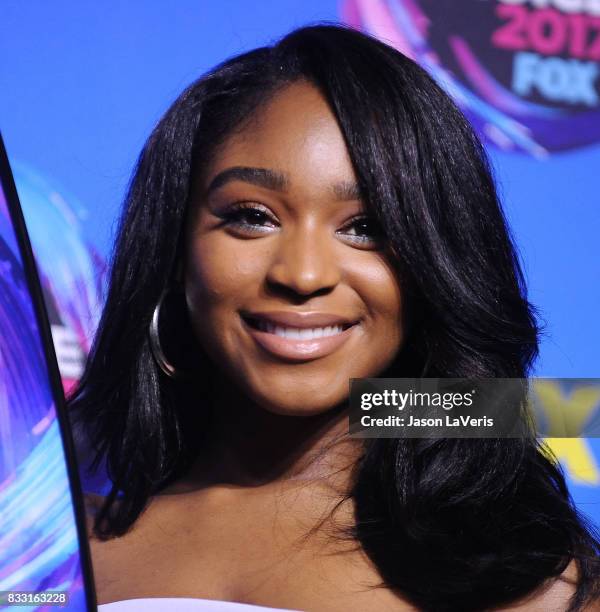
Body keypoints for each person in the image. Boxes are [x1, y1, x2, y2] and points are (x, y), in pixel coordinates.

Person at [68, 23, 600, 612]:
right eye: (252, 216)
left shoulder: (529, 582)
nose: (302, 274)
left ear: (438, 264)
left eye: (366, 227)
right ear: (174, 249)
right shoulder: (48, 554)